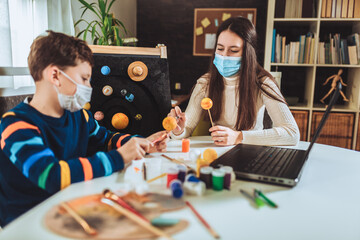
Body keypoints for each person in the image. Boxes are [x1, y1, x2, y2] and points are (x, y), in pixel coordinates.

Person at [0, 31, 168, 226]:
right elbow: (52, 175)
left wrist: (141, 144)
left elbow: (106, 139)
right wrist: (121, 157)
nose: (89, 87)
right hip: (27, 223)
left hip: (69, 209)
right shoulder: (15, 125)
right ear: (55, 75)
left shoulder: (78, 116)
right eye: (84, 78)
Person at [169, 17, 300, 146]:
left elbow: (292, 133)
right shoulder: (205, 83)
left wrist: (239, 137)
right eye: (220, 49)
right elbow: (187, 128)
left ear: (248, 54)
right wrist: (177, 129)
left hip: (251, 152)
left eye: (233, 50)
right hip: (217, 152)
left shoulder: (263, 83)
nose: (224, 56)